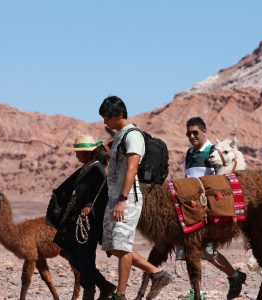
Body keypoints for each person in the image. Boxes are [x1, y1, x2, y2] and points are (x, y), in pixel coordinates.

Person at [99, 96, 171, 300]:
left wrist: (122, 199)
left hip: (127, 198)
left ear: (119, 115)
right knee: (112, 246)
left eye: (107, 117)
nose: (105, 122)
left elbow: (132, 168)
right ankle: (157, 274)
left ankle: (120, 294)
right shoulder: (120, 136)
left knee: (122, 245)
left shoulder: (133, 136)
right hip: (114, 197)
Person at [177, 116, 246, 300]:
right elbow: (187, 177)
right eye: (188, 133)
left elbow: (221, 180)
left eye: (195, 132)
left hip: (207, 209)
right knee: (190, 250)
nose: (191, 136)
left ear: (204, 131)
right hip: (190, 208)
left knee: (208, 252)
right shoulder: (190, 153)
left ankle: (234, 275)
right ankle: (195, 291)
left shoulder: (213, 151)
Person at [51, 135, 116, 300]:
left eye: (80, 152)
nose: (77, 155)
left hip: (89, 223)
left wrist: (90, 206)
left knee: (85, 260)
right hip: (78, 221)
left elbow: (103, 195)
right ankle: (104, 286)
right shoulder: (87, 167)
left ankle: (90, 292)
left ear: (89, 152)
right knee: (75, 258)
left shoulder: (97, 169)